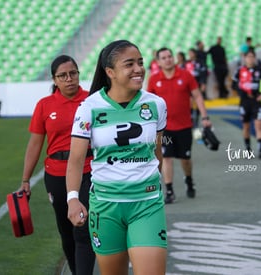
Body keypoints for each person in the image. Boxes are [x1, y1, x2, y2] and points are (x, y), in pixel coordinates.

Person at [66, 40, 167, 275]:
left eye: (140, 62)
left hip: (147, 203)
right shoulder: (89, 108)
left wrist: (149, 180)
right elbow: (76, 159)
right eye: (129, 64)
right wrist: (72, 198)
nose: (139, 69)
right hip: (105, 206)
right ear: (110, 72)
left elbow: (157, 150)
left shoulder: (156, 104)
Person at [19, 55, 96, 275]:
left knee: (82, 229)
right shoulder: (44, 105)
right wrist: (25, 179)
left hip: (88, 171)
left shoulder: (92, 99)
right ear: (54, 79)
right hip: (55, 175)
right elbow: (35, 144)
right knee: (66, 231)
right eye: (62, 76)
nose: (69, 79)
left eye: (73, 73)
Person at [147, 47, 212, 204]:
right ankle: (169, 190)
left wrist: (205, 117)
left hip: (184, 126)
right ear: (158, 62)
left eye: (170, 56)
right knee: (166, 157)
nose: (168, 59)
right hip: (164, 128)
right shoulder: (154, 79)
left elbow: (197, 96)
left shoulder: (186, 75)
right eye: (164, 57)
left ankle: (189, 179)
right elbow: (147, 103)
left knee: (185, 158)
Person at [232, 48, 261, 159]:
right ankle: (248, 150)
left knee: (259, 125)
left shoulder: (259, 69)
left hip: (256, 102)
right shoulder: (240, 70)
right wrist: (241, 93)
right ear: (245, 58)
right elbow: (233, 84)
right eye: (248, 57)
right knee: (246, 126)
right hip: (244, 102)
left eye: (252, 57)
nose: (250, 59)